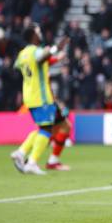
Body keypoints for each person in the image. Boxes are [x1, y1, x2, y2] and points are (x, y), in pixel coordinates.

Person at [10, 25, 70, 175]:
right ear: (33, 36)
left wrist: (54, 58)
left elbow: (24, 65)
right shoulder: (36, 51)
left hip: (30, 96)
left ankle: (22, 153)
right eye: (38, 31)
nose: (40, 33)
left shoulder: (22, 54)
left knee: (49, 128)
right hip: (41, 97)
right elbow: (41, 57)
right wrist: (57, 47)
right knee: (46, 129)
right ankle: (31, 160)